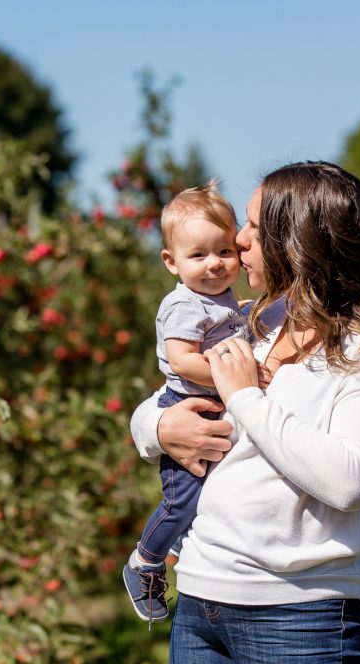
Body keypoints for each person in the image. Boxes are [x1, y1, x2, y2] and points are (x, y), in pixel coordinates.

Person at [130, 161, 360, 664]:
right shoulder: (260, 323)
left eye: (252, 227)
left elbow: (351, 480)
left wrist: (246, 398)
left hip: (304, 610)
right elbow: (167, 395)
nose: (239, 241)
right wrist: (156, 431)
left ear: (297, 242)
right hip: (204, 597)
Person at [123, 181, 248, 624]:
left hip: (210, 402)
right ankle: (145, 561)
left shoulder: (224, 300)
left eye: (225, 251)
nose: (215, 264)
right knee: (182, 499)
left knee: (205, 491)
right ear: (171, 262)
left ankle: (176, 543)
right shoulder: (183, 305)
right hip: (188, 401)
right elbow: (182, 360)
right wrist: (235, 373)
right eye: (199, 256)